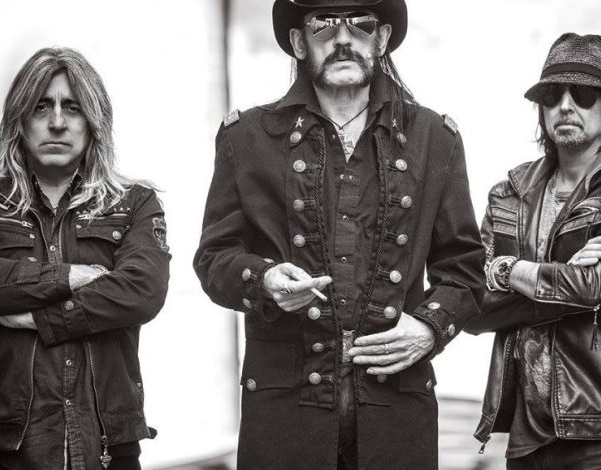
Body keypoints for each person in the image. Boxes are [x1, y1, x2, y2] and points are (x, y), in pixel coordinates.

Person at [193, 1, 484, 468]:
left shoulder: (435, 138)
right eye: (325, 24)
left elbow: (465, 269)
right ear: (298, 42)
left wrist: (429, 327)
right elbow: (214, 258)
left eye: (361, 23)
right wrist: (264, 280)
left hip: (396, 409)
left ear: (381, 38)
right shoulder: (245, 137)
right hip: (286, 413)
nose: (344, 38)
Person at [0, 47, 171, 470]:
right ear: (18, 119)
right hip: (1, 452)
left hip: (105, 448)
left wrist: (37, 317)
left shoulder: (135, 204)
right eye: (41, 106)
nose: (57, 121)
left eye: (72, 107)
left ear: (94, 120)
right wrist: (77, 276)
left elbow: (143, 291)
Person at [466, 33, 601, 469]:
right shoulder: (508, 194)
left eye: (582, 94)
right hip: (529, 436)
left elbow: (592, 285)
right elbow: (471, 305)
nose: (564, 106)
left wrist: (506, 272)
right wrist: (557, 280)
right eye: (551, 96)